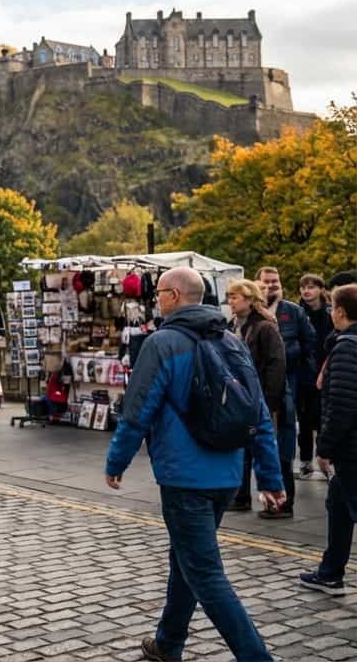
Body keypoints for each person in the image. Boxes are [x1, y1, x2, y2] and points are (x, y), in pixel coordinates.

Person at [105, 267, 283, 662]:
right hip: (227, 475)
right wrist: (269, 477)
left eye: (159, 294)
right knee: (185, 557)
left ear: (173, 296)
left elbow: (137, 411)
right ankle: (168, 643)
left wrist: (116, 461)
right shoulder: (232, 342)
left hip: (185, 477)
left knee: (205, 574)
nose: (155, 300)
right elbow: (259, 414)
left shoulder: (162, 343)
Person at [299, 283, 357, 595]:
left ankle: (331, 572)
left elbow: (343, 406)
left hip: (350, 449)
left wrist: (325, 448)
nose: (331, 312)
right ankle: (331, 572)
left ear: (341, 312)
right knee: (337, 504)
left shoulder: (347, 347)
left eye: (333, 306)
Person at [256, 266, 316, 518]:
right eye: (266, 282)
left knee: (284, 445)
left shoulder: (293, 312)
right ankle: (267, 499)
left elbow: (309, 345)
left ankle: (284, 501)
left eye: (275, 281)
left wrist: (284, 358)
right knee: (262, 445)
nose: (271, 286)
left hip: (289, 384)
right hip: (261, 387)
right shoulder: (253, 313)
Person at [225, 279, 289, 517]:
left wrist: (269, 401)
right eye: (229, 296)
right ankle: (241, 496)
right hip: (241, 397)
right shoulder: (233, 325)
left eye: (235, 296)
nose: (230, 301)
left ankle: (276, 502)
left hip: (260, 396)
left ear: (250, 300)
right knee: (243, 447)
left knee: (265, 448)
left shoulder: (264, 327)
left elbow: (276, 365)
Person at [297, 274, 333, 480]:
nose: (306, 291)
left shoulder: (329, 314)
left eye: (311, 287)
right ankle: (305, 462)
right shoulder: (297, 312)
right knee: (304, 420)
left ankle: (325, 460)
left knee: (323, 420)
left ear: (321, 289)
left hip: (325, 371)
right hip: (305, 373)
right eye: (303, 287)